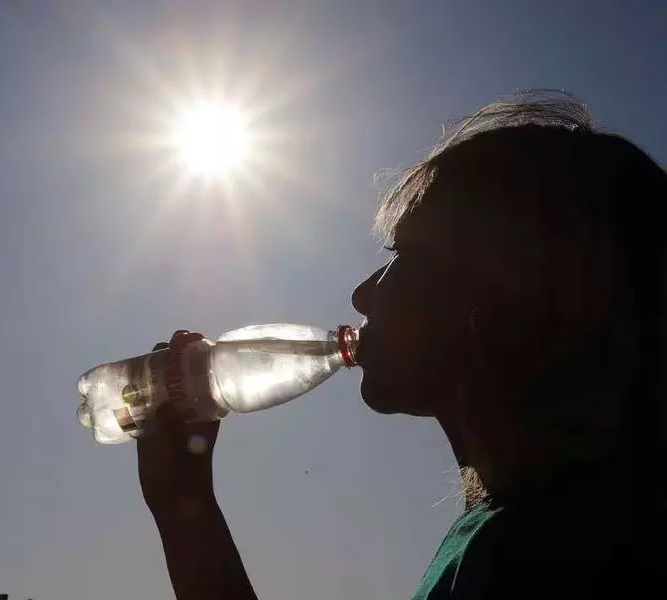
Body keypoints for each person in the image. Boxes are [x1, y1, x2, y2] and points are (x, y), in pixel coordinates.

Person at [135, 92, 666, 600]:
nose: (363, 293)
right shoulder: (522, 534)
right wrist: (187, 507)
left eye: (405, 252)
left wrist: (188, 515)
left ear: (500, 299)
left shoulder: (544, 558)